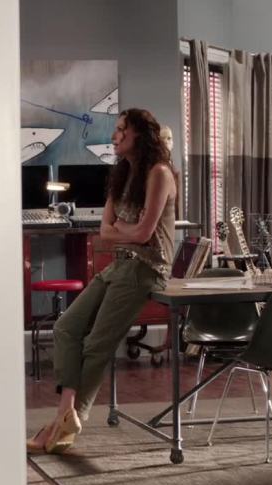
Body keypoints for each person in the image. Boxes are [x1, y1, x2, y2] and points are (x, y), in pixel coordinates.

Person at [27, 108, 178, 454]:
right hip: (120, 264)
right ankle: (66, 415)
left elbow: (143, 234)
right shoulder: (122, 174)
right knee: (66, 327)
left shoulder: (159, 173)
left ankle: (64, 421)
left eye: (122, 130)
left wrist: (122, 229)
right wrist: (126, 230)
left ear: (141, 135)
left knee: (96, 344)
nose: (114, 136)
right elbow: (104, 232)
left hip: (146, 269)